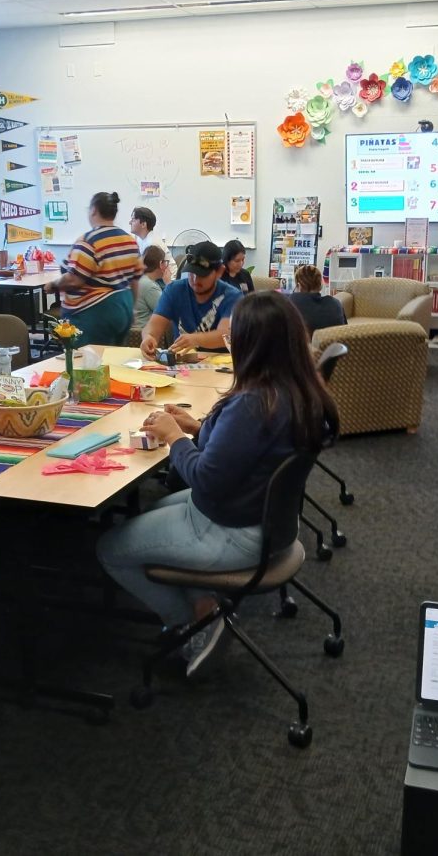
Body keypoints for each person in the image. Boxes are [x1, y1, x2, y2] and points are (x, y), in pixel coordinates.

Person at [99, 291, 338, 677]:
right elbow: (245, 452)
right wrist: (197, 427)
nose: (230, 345)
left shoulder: (254, 404)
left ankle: (194, 625)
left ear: (250, 345)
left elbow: (205, 479)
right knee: (154, 512)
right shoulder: (299, 391)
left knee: (110, 547)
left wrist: (176, 437)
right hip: (267, 522)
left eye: (233, 339)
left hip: (234, 528)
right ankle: (203, 605)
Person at [45, 191, 142, 346]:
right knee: (114, 362)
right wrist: (132, 309)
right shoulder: (129, 241)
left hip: (94, 313)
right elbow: (135, 281)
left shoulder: (88, 241)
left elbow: (74, 280)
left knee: (89, 363)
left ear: (94, 210)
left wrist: (53, 285)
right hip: (123, 307)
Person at [139, 241, 241, 358]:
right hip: (182, 364)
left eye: (202, 275)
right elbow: (153, 326)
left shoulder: (232, 296)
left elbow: (225, 335)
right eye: (191, 273)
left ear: (219, 272)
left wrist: (196, 339)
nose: (195, 279)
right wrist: (148, 337)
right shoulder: (174, 290)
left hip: (221, 365)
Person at [288, 264, 346, 334]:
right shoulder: (336, 303)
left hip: (305, 344)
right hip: (333, 344)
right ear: (320, 285)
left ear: (299, 286)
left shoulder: (292, 302)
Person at [130, 206, 175, 279]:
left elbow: (151, 274)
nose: (130, 222)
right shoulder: (139, 238)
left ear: (143, 224)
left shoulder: (153, 244)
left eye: (133, 220)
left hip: (165, 281)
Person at [133, 245, 168, 335]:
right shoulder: (150, 287)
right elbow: (168, 310)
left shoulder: (141, 280)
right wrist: (169, 284)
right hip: (144, 334)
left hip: (135, 333)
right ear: (161, 264)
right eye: (166, 262)